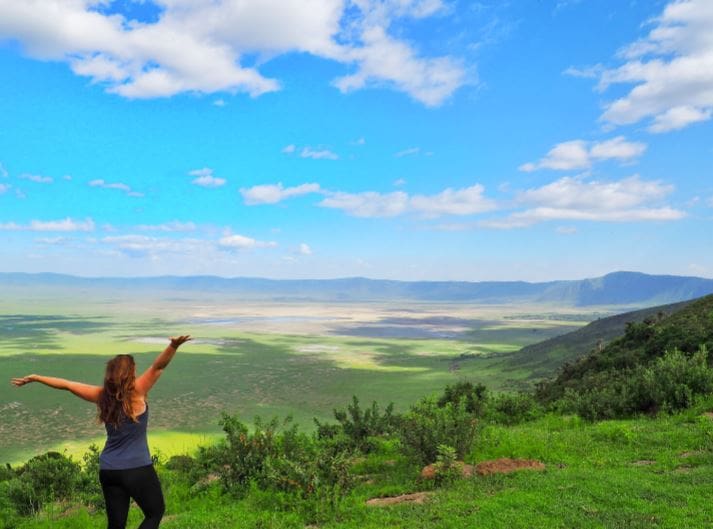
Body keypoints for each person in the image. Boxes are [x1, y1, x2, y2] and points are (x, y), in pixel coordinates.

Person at [11, 335, 192, 529]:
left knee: (116, 525)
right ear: (130, 374)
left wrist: (36, 377)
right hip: (137, 467)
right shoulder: (138, 391)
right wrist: (173, 345)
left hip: (109, 470)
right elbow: (158, 367)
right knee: (154, 513)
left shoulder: (100, 396)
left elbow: (66, 384)